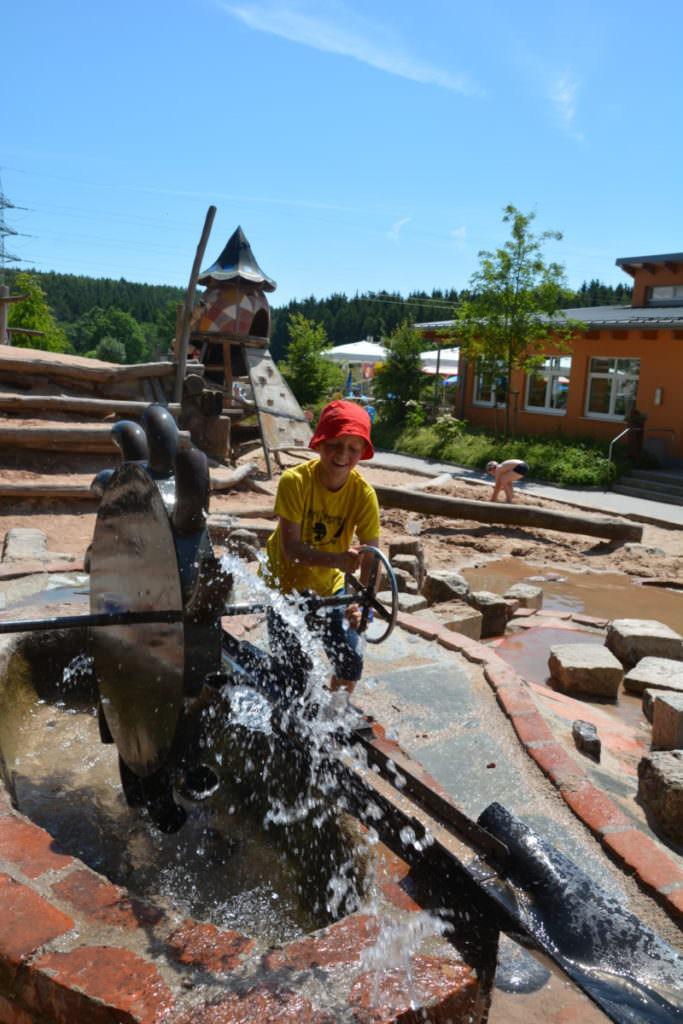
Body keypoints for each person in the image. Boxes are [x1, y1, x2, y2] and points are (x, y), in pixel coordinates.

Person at [263, 400, 380, 696]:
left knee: (350, 661)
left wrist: (364, 604)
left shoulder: (363, 494)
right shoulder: (295, 482)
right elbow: (292, 548)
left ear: (362, 453)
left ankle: (334, 715)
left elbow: (372, 557)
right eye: (335, 445)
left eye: (353, 448)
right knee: (293, 670)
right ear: (319, 444)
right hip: (284, 586)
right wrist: (338, 560)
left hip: (330, 589)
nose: (342, 455)